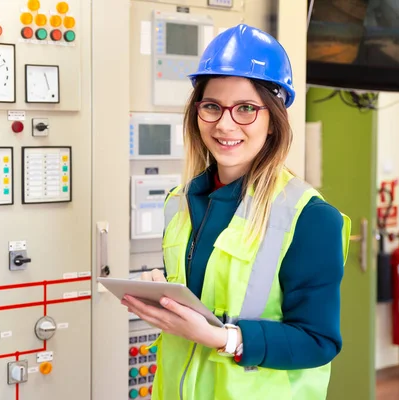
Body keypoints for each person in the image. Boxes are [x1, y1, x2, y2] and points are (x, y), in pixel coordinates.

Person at [121, 24, 351, 400]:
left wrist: (222, 338)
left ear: (273, 121)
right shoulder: (180, 201)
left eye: (245, 109)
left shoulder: (309, 217)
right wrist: (162, 290)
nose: (225, 124)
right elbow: (215, 291)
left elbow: (318, 340)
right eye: (212, 106)